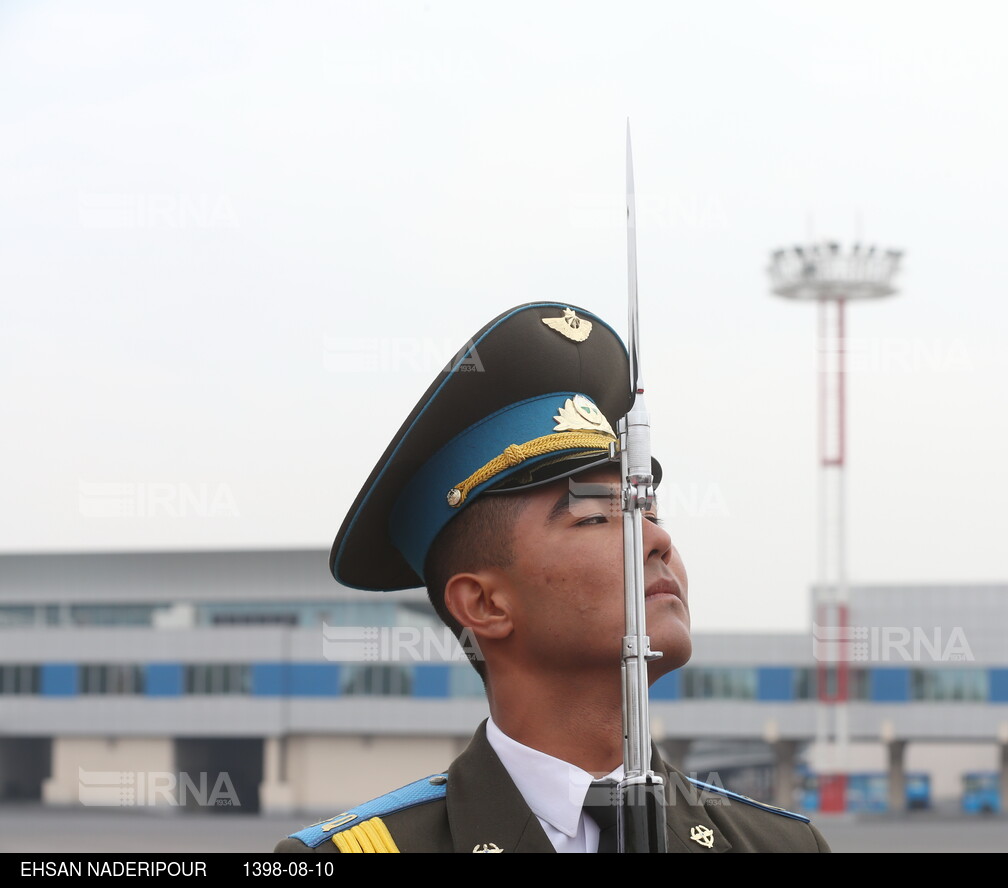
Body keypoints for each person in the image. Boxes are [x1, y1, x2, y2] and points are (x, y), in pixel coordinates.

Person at [275, 303, 829, 853]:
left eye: (648, 514)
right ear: (484, 604)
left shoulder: (781, 845)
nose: (657, 542)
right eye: (593, 518)